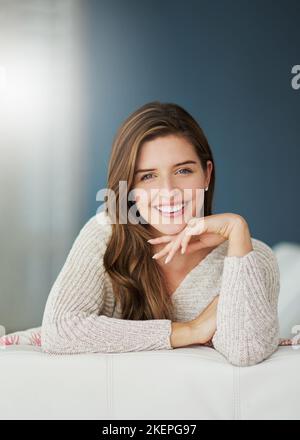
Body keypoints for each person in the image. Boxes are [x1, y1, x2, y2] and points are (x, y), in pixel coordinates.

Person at [41, 101, 280, 367]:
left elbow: (246, 350)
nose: (168, 191)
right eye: (147, 177)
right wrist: (191, 330)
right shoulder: (107, 234)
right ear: (129, 187)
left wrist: (237, 229)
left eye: (183, 171)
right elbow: (61, 331)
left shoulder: (251, 256)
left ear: (206, 175)